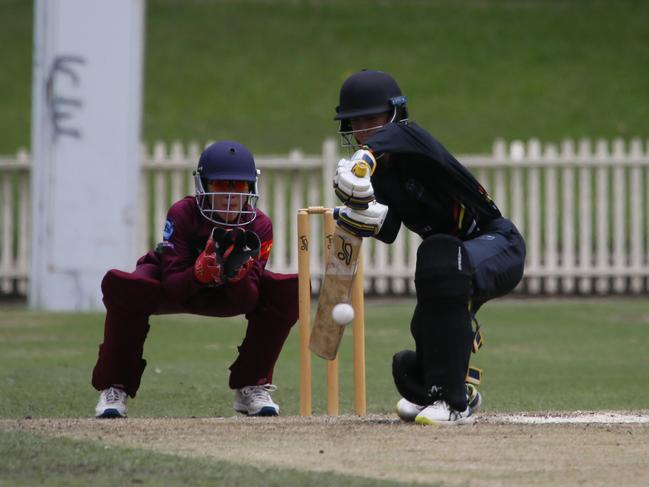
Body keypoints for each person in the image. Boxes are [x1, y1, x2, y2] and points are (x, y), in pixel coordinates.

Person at [331, 70, 526, 425]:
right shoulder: (380, 176)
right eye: (356, 123)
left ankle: (451, 403)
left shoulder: (411, 137)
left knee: (438, 254)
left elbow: (387, 140)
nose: (365, 130)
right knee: (417, 349)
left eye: (372, 119)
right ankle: (456, 388)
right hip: (454, 260)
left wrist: (363, 159)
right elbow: (386, 228)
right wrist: (349, 212)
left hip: (499, 243)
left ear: (395, 114)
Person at [92, 140, 298, 418]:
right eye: (220, 186)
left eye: (238, 186)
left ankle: (253, 384)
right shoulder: (182, 213)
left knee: (286, 291)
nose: (229, 195)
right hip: (178, 284)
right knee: (126, 287)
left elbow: (248, 300)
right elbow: (174, 286)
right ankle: (114, 387)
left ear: (250, 189)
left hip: (227, 294)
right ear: (203, 186)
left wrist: (237, 277)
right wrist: (198, 274)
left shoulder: (260, 225)